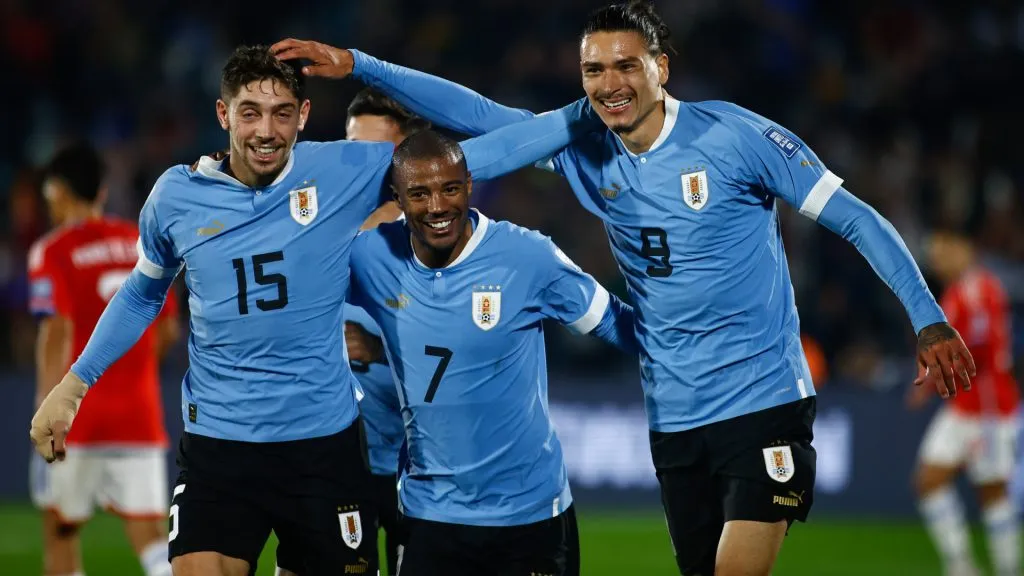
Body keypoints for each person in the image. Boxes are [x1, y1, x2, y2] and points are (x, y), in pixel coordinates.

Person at [272, 2, 976, 573]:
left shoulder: (734, 137)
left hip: (762, 397)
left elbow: (856, 219)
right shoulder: (588, 152)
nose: (609, 82)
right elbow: (485, 119)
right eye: (593, 69)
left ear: (660, 68)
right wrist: (361, 66)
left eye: (625, 65)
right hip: (672, 416)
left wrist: (927, 317)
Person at [29, 45, 600, 576]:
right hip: (221, 450)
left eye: (281, 114)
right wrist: (74, 384)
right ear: (224, 116)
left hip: (321, 450)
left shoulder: (342, 171)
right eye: (250, 113)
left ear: (303, 116)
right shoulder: (175, 197)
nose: (266, 131)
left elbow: (472, 156)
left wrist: (580, 115)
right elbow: (141, 292)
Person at [347, 129, 635, 576]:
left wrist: (708, 340)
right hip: (430, 513)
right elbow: (297, 298)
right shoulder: (371, 256)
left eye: (450, 189)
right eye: (419, 194)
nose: (438, 206)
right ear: (397, 199)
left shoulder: (527, 256)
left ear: (469, 185)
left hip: (530, 514)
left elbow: (620, 326)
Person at [275, 88, 425, 576]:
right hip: (337, 453)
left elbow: (467, 348)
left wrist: (378, 349)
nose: (360, 164)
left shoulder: (436, 242)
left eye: (375, 152)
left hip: (418, 459)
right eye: (351, 147)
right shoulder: (318, 227)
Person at [27, 142, 181, 576]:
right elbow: (168, 328)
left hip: (76, 418)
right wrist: (130, 370)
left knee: (61, 531)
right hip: (139, 415)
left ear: (57, 191)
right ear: (101, 189)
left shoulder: (52, 251)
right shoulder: (137, 242)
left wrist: (47, 403)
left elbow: (55, 330)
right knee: (151, 537)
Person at [908, 227, 1020, 576]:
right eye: (935, 257)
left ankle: (1007, 568)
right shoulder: (957, 292)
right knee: (928, 480)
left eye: (944, 253)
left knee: (992, 493)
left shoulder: (979, 289)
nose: (938, 262)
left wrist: (935, 371)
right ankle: (961, 565)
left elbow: (980, 347)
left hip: (988, 407)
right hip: (963, 406)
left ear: (965, 249)